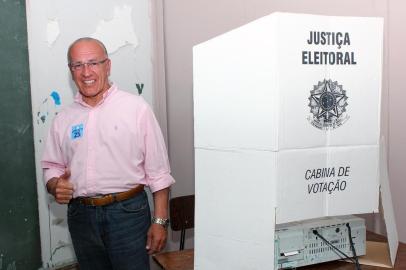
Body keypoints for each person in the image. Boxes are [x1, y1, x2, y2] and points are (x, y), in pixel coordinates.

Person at [41, 37, 175, 270]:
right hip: (81, 217)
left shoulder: (136, 109)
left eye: (93, 63)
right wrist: (54, 185)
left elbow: (159, 172)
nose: (86, 72)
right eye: (78, 65)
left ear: (108, 66)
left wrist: (160, 221)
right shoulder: (63, 119)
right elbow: (52, 165)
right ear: (71, 71)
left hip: (128, 215)